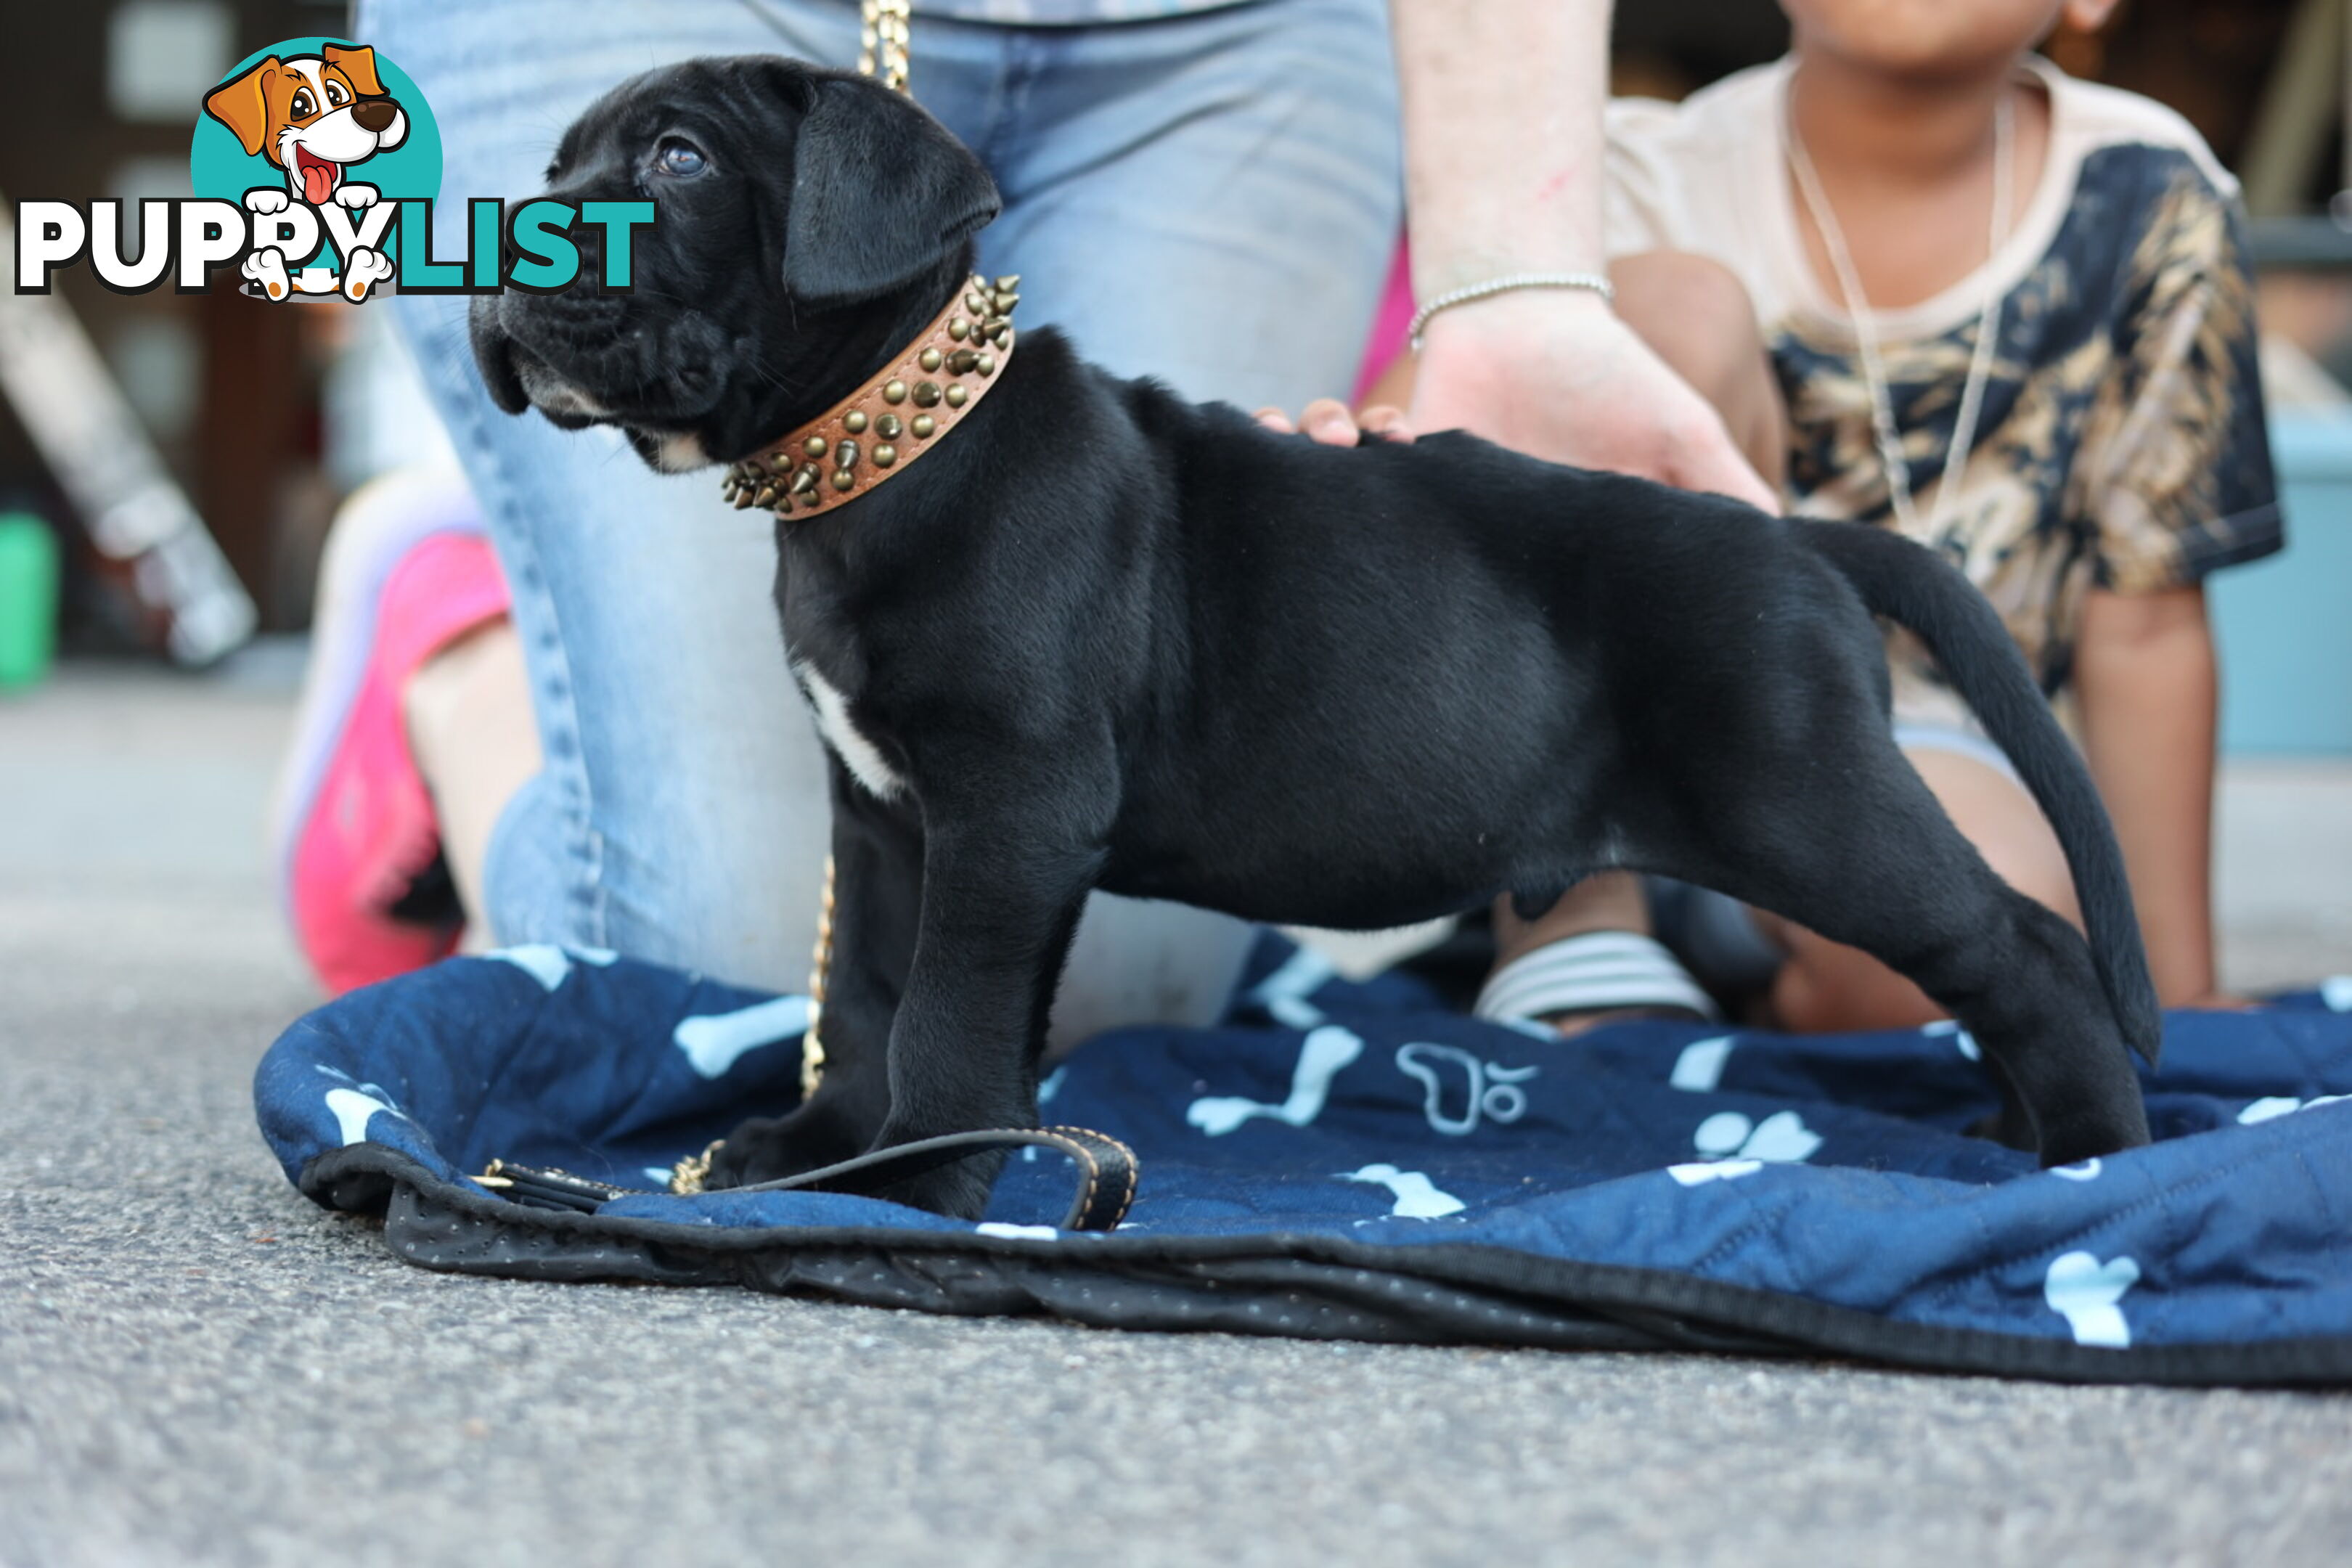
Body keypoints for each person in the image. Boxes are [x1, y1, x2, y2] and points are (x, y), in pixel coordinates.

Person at [274, 0, 1771, 1045]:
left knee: (1087, 985)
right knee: (737, 994)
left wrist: (1514, 280)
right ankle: (456, 651)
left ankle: (492, 635)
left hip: (1226, 40)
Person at [1317, 0, 2280, 1034]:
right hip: (1620, 752)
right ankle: (1570, 926)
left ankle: (1754, 1015)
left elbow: (2144, 622)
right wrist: (1348, 455)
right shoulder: (1630, 167)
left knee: (1997, 925)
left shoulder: (2146, 195)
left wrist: (2179, 987)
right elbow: (1451, 410)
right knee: (1675, 307)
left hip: (1906, 756)